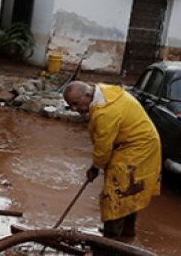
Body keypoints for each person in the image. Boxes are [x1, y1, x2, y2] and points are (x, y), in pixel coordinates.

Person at [63, 80, 161, 240]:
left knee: (116, 193)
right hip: (133, 144)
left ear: (87, 95)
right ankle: (126, 235)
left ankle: (111, 239)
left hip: (138, 148)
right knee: (127, 191)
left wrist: (95, 167)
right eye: (70, 105)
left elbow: (103, 148)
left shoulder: (105, 112)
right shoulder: (102, 92)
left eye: (75, 103)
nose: (74, 109)